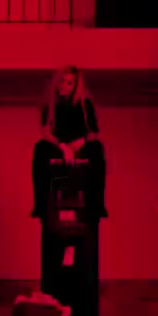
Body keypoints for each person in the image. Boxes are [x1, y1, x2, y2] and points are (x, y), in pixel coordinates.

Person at [30, 66, 107, 219]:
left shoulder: (85, 105)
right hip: (58, 146)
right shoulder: (50, 104)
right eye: (62, 81)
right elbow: (46, 133)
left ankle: (96, 205)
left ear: (75, 86)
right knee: (40, 148)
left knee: (97, 148)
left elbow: (93, 133)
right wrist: (63, 147)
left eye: (69, 83)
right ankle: (41, 204)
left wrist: (80, 143)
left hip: (81, 145)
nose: (64, 86)